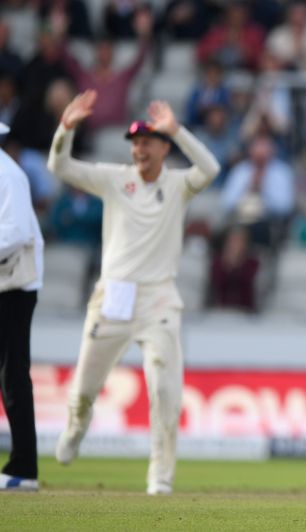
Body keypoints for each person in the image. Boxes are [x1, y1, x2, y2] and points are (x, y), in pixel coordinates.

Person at [47, 90, 220, 495]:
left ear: (164, 147)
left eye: (148, 141)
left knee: (164, 389)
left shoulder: (178, 184)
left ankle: (160, 477)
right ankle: (75, 426)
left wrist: (178, 129)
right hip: (113, 297)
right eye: (135, 142)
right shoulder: (115, 179)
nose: (139, 148)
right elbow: (60, 164)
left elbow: (210, 169)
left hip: (158, 299)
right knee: (84, 390)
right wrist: (66, 127)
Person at [0, 120, 45, 491]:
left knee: (13, 373)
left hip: (14, 285)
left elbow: (17, 232)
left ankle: (24, 467)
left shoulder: (8, 174)